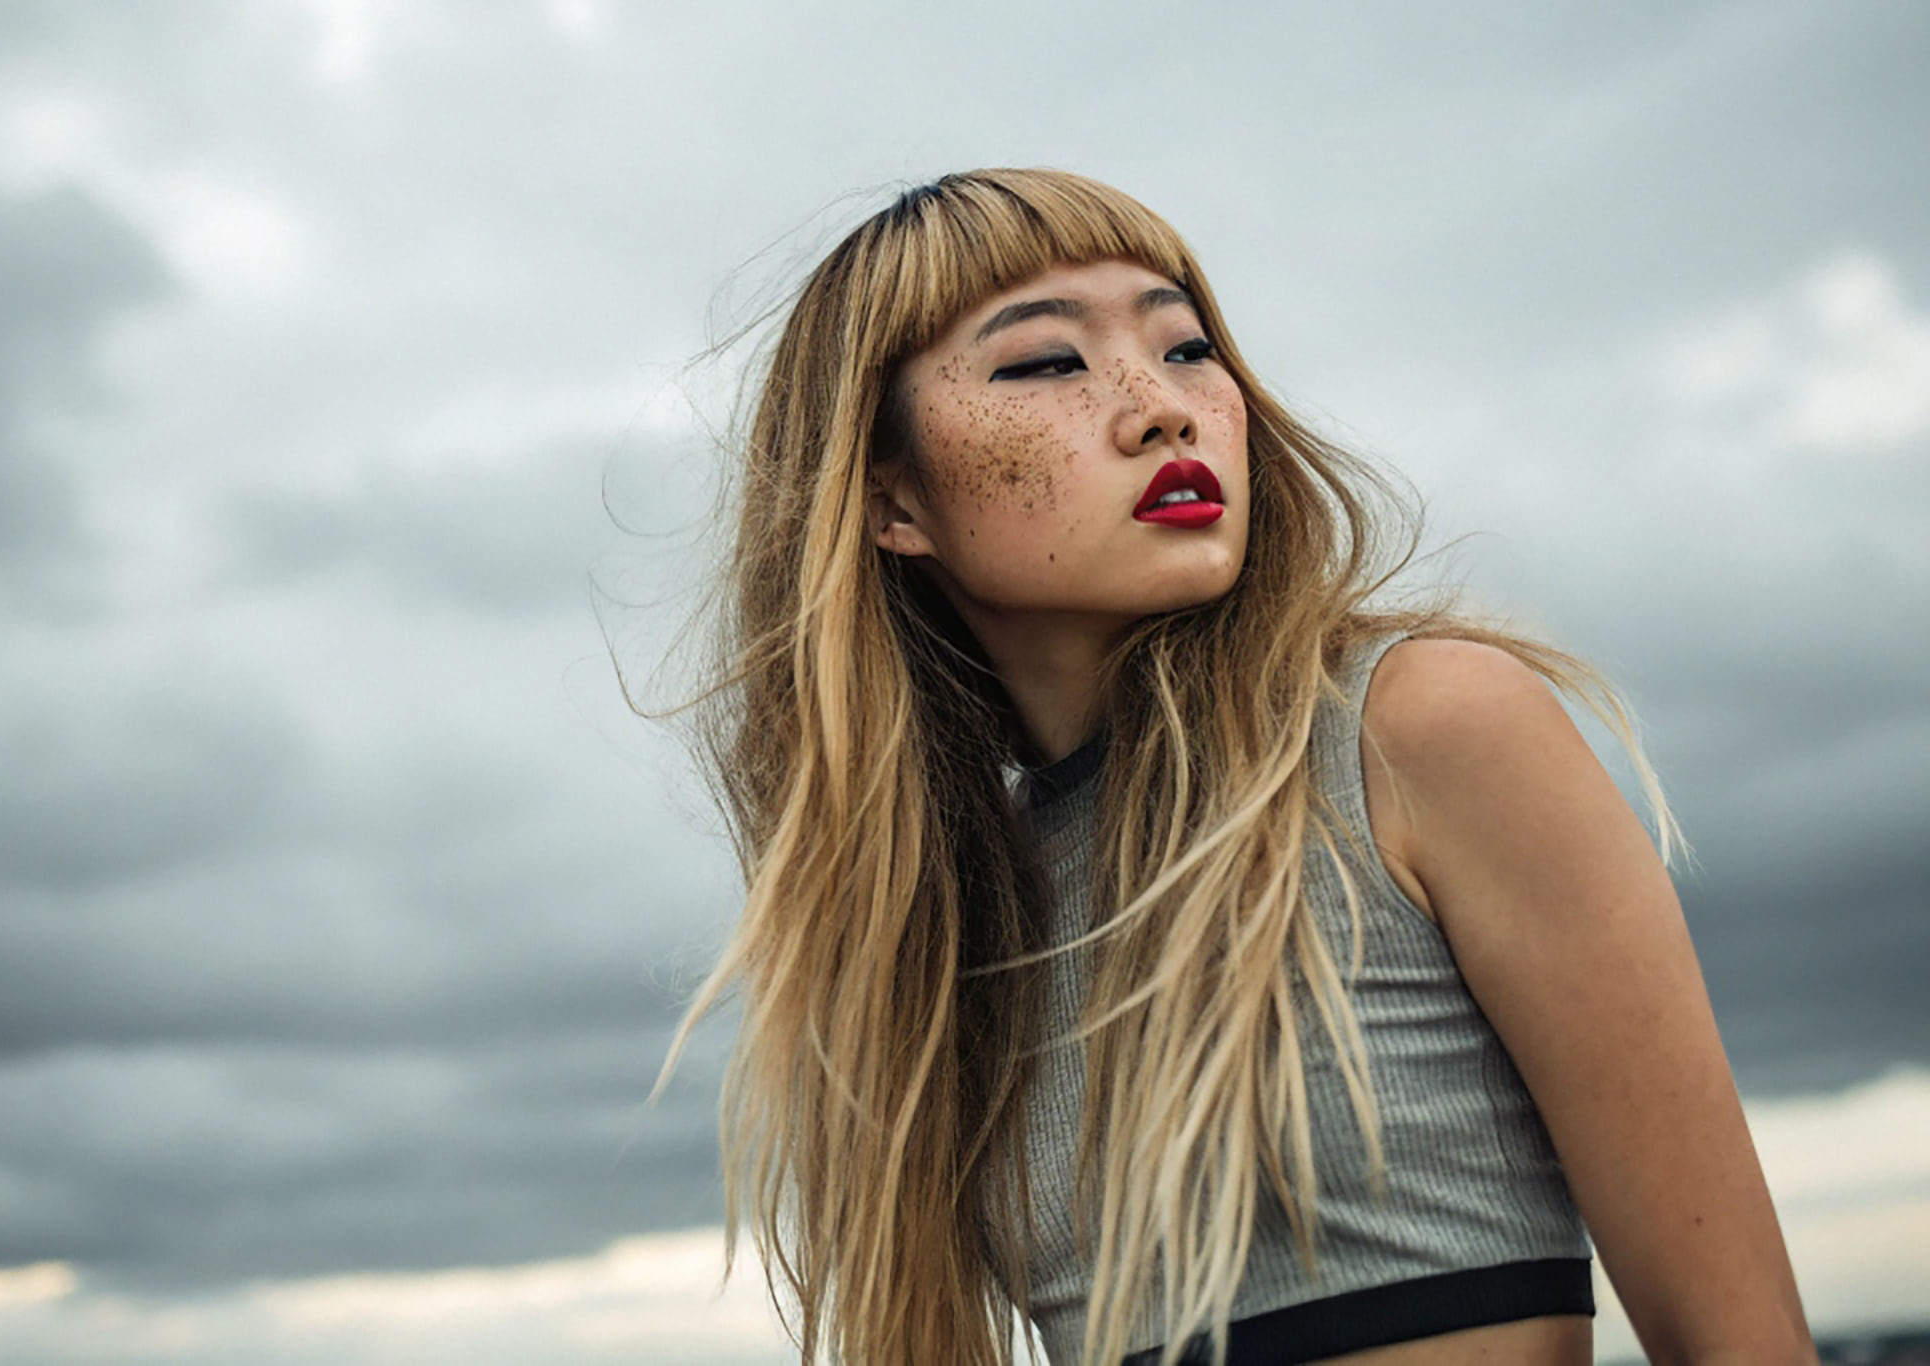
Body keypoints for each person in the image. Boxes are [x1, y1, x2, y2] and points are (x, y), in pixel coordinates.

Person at [656, 168, 1813, 1366]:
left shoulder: (1414, 729)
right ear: (892, 500)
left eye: (1186, 348)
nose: (1159, 407)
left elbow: (1741, 1343)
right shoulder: (944, 918)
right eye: (1045, 362)